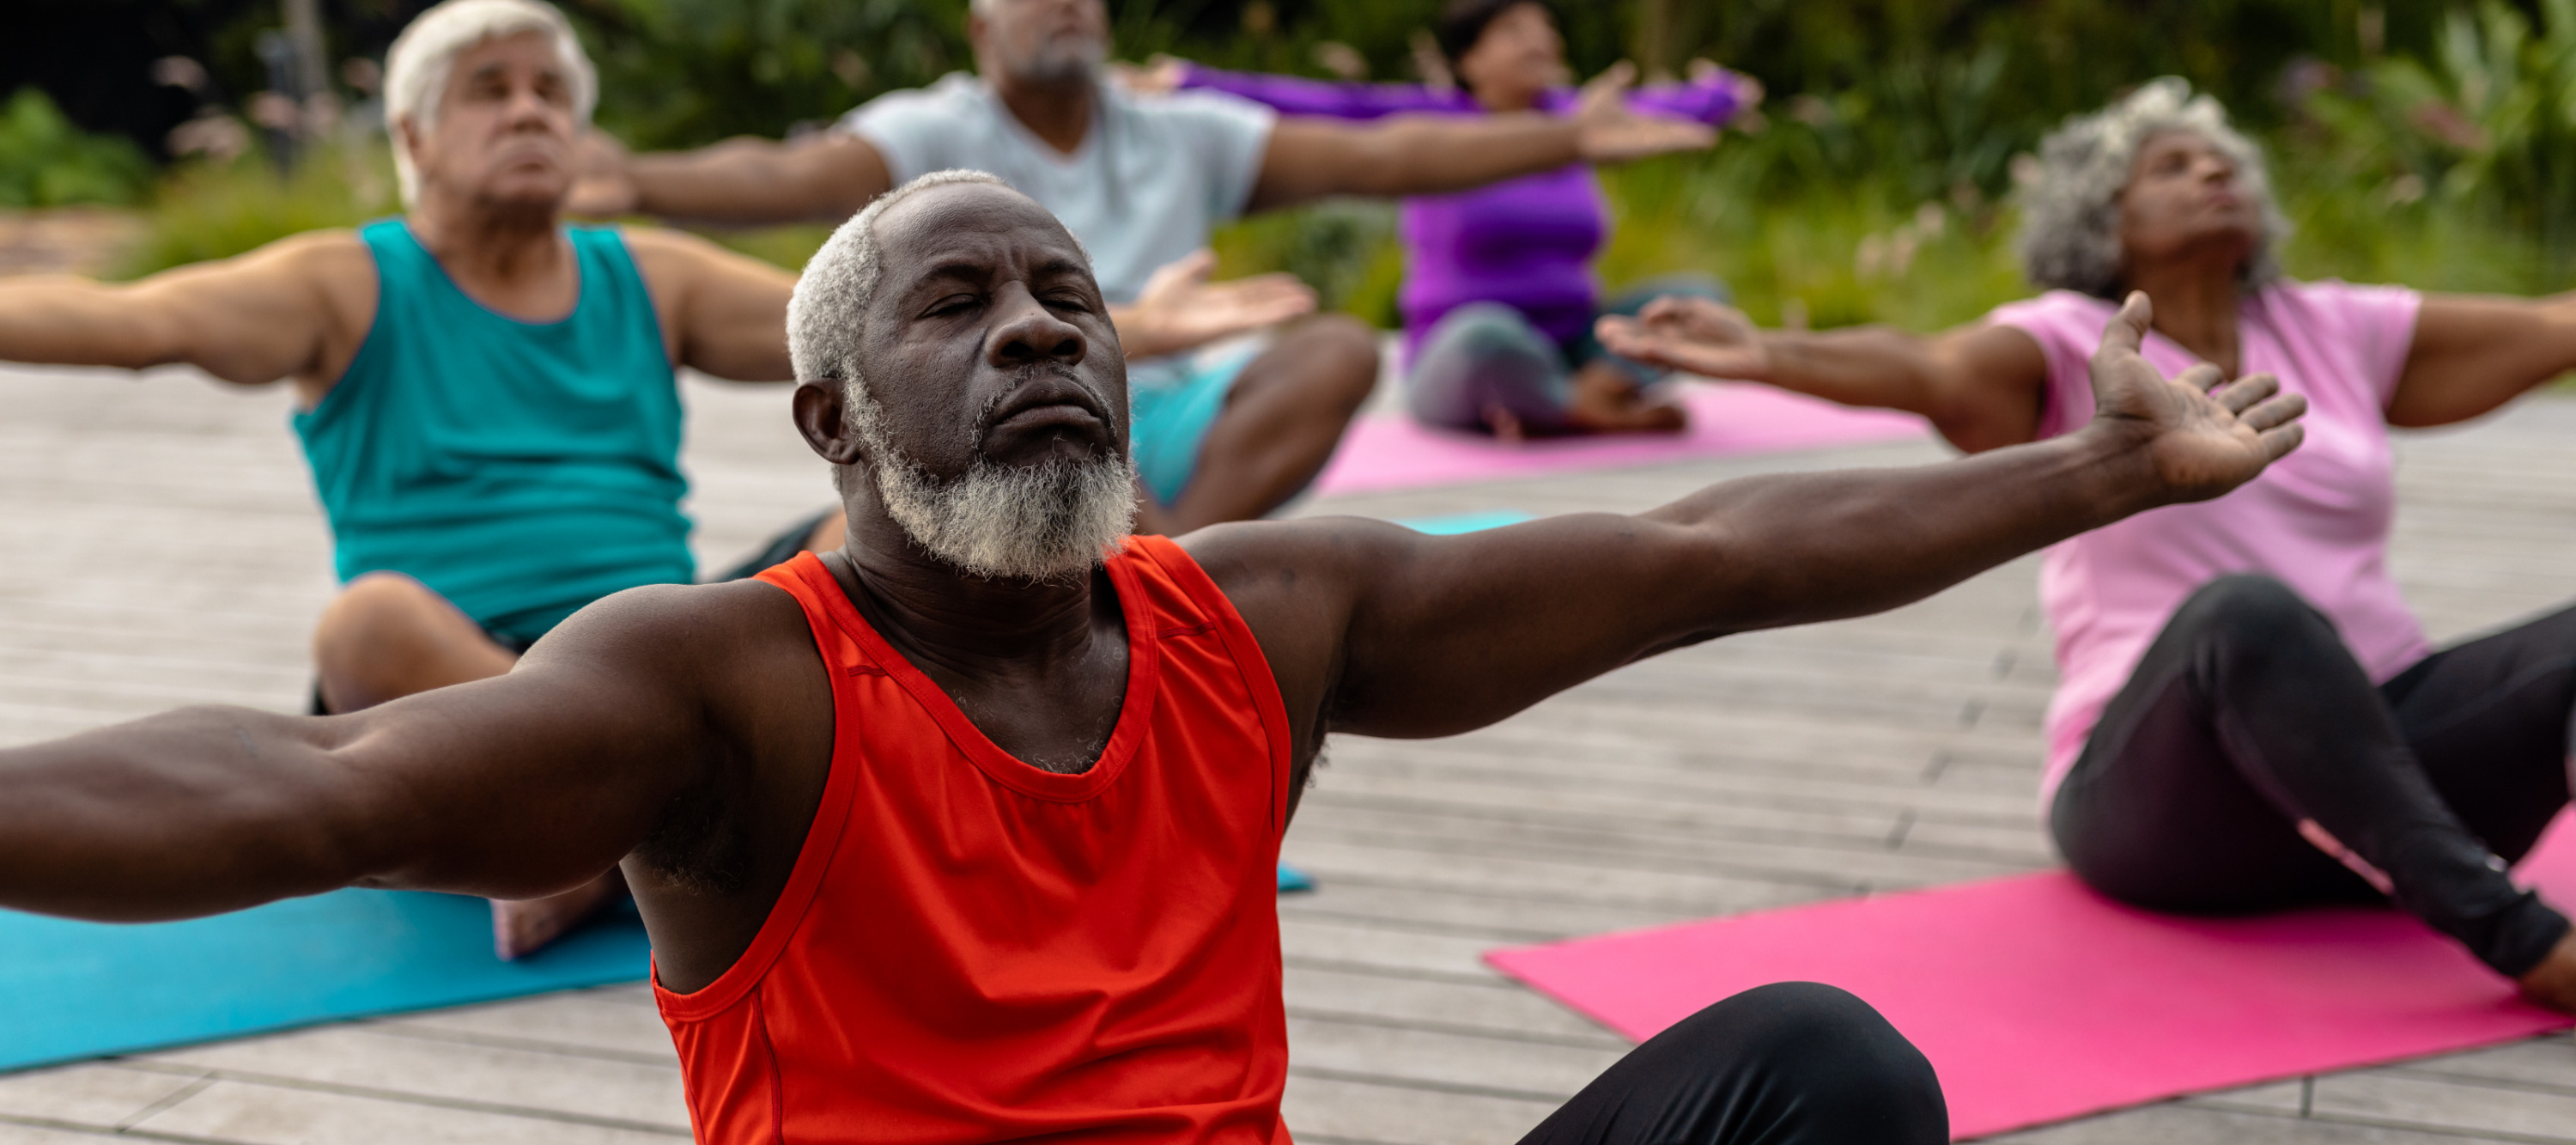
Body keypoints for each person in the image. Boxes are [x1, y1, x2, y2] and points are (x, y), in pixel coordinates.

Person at [0, 169, 2307, 1142]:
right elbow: (310, 787)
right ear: (830, 425)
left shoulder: (1269, 619)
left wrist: (2101, 478)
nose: (1037, 333)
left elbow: (1707, 541)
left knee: (1813, 1063)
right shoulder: (726, 684)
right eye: (959, 306)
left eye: (1068, 303)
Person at [1597, 77, 2576, 1004]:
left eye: (2222, 159)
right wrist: (1769, 352)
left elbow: (2549, 326)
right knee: (2246, 615)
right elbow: (1927, 363)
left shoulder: (2332, 326)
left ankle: (2427, 863)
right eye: (2170, 166)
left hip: (2388, 764)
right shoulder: (2072, 341)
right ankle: (2529, 945)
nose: (2213, 173)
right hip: (2176, 807)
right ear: (2103, 216)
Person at [0, 0, 808, 959]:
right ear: (412, 135)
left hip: (654, 652)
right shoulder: (344, 284)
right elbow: (132, 322)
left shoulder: (652, 275)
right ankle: (626, 817)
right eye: (490, 91)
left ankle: (586, 833)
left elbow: (858, 334)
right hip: (450, 680)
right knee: (364, 620)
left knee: (846, 543)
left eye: (551, 93)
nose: (528, 113)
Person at [570, 0, 1716, 545]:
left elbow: (1388, 151)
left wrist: (1565, 135)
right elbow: (781, 176)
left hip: (1187, 410)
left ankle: (1164, 578)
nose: (1066, 3)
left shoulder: (1185, 132)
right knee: (1082, 397)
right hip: (1018, 402)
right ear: (981, 24)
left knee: (1324, 351)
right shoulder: (931, 131)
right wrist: (638, 177)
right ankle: (1147, 566)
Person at [1148, 0, 1757, 438]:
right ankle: (1580, 405)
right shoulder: (1432, 119)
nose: (1539, 38)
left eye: (1545, 25)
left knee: (1697, 299)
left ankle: (1565, 399)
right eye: (1514, 27)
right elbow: (1324, 102)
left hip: (1575, 341)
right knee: (1487, 334)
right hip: (1463, 350)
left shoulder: (1578, 121)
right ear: (1470, 58)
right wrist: (1194, 82)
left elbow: (1660, 109)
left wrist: (1722, 94)